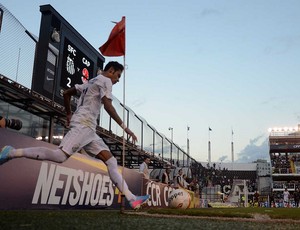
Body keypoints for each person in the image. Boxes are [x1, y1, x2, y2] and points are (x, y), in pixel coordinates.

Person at [0, 61, 150, 209]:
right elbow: (108, 106)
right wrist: (125, 128)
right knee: (59, 156)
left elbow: (66, 93)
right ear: (111, 70)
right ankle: (12, 152)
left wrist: (68, 114)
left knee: (111, 162)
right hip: (83, 126)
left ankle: (132, 198)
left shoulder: (91, 81)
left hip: (89, 129)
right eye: (118, 75)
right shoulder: (105, 81)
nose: (117, 80)